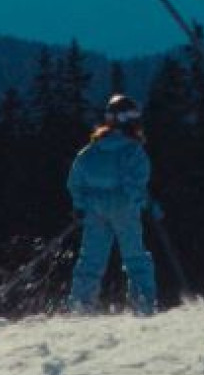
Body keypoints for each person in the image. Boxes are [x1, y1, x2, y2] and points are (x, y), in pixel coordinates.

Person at [66, 94, 161, 314]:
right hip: (124, 209)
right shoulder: (133, 151)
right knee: (135, 256)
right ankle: (142, 302)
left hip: (94, 211)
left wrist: (80, 206)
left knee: (90, 258)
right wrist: (146, 204)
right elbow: (135, 184)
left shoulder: (90, 152)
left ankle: (81, 303)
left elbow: (75, 182)